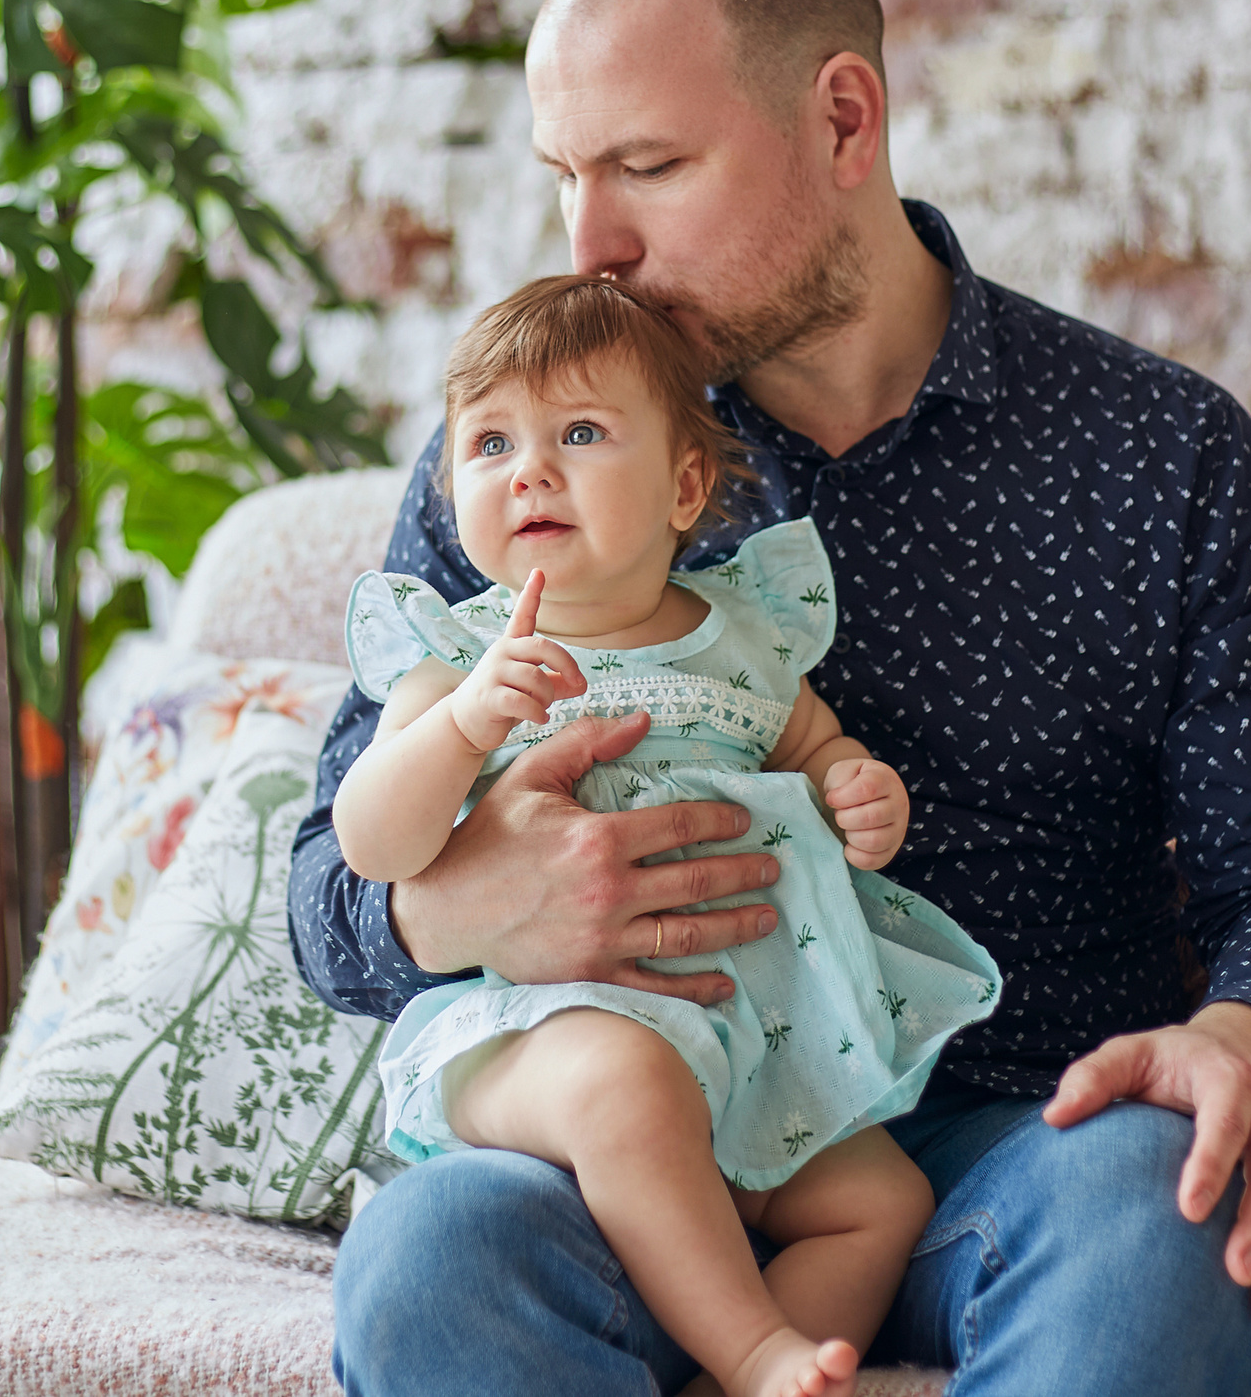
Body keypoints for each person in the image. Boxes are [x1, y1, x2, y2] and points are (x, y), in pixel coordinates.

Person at [288, 0, 1251, 1397]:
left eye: (648, 164)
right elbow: (321, 892)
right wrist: (470, 906)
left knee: (1160, 1206)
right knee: (430, 1257)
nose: (590, 239)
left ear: (842, 119)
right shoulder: (527, 460)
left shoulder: (1165, 456)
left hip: (1022, 1145)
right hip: (635, 1140)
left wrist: (1249, 1038)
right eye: (565, 174)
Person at [336, 275, 1001, 1397]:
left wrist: (856, 788)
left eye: (579, 432)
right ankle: (753, 1351)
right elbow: (372, 842)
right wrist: (461, 729)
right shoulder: (454, 658)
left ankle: (758, 1375)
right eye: (489, 443)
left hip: (752, 1045)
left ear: (686, 484)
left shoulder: (742, 632)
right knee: (628, 1084)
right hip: (547, 1040)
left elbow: (815, 744)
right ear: (452, 491)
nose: (530, 469)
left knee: (884, 1204)